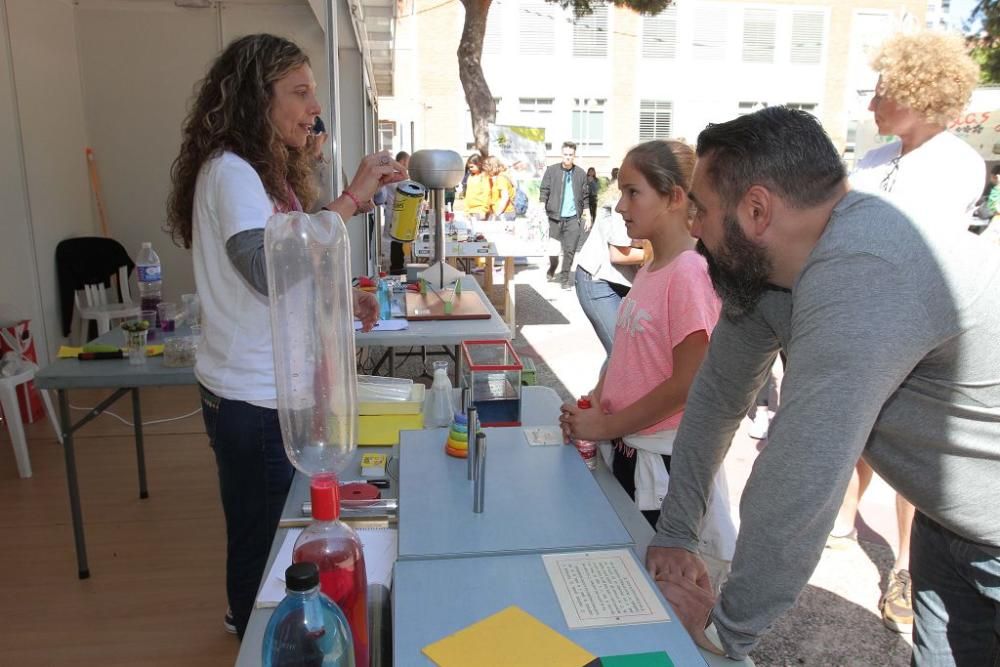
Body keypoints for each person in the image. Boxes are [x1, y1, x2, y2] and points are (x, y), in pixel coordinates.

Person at [645, 106, 1000, 664]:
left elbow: (802, 470)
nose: (692, 226)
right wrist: (676, 534)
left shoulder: (865, 266)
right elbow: (715, 401)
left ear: (757, 210)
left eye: (702, 210)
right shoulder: (764, 270)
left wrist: (723, 632)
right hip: (946, 522)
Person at [165, 33, 406, 639]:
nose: (314, 109)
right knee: (266, 537)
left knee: (258, 529)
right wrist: (351, 199)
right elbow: (268, 269)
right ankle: (255, 635)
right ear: (256, 98)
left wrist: (338, 292)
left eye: (313, 94)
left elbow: (293, 261)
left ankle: (244, 622)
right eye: (299, 93)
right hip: (253, 396)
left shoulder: (262, 176)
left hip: (265, 389)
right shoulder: (231, 172)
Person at [834, 30, 983, 634]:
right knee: (868, 425)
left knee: (918, 446)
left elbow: (917, 256)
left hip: (917, 328)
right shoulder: (874, 160)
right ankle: (842, 520)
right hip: (863, 316)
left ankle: (905, 564)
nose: (871, 106)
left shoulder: (956, 164)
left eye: (882, 94)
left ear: (917, 93)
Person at [561, 140, 736, 590]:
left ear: (676, 197)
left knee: (660, 589)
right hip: (629, 447)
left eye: (632, 192)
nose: (620, 206)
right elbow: (625, 354)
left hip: (662, 466)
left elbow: (688, 382)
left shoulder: (690, 273)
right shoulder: (654, 268)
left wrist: (604, 426)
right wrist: (596, 401)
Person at [573, 168, 643, 354]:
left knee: (626, 351)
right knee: (622, 352)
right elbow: (618, 255)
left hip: (624, 282)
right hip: (598, 280)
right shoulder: (622, 206)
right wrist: (659, 254)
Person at [540, 141, 590, 288]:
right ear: (561, 154)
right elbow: (544, 190)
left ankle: (564, 279)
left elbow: (585, 196)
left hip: (573, 218)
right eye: (565, 154)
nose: (568, 157)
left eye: (571, 155)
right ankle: (553, 266)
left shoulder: (581, 173)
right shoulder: (551, 171)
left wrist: (588, 215)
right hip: (555, 217)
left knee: (570, 249)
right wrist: (541, 207)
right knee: (553, 250)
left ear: (574, 155)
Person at [378, 150, 411, 274]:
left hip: (398, 211)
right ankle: (396, 266)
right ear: (402, 161)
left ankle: (398, 264)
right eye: (408, 161)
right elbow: (403, 189)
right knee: (396, 241)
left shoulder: (397, 174)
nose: (408, 164)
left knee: (398, 241)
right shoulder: (395, 175)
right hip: (394, 212)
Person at [484, 155, 515, 222]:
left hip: (504, 214)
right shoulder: (502, 176)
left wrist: (497, 213)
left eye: (488, 169)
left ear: (493, 167)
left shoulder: (501, 178)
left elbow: (505, 197)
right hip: (503, 213)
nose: (487, 172)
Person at [463, 154, 491, 220]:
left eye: (472, 167)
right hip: (470, 211)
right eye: (469, 167)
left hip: (480, 211)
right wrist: (466, 210)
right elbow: (468, 194)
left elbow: (487, 193)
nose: (470, 169)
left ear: (479, 164)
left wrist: (484, 210)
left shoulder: (484, 176)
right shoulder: (470, 177)